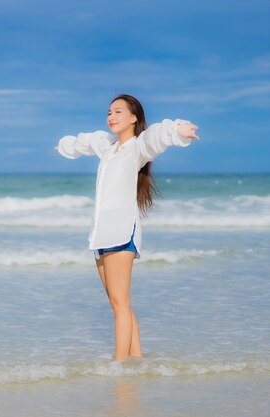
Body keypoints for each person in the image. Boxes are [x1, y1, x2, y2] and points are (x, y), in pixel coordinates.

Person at [55, 94, 199, 361]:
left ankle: (119, 365)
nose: (111, 116)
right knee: (118, 303)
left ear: (134, 118)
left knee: (121, 304)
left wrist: (179, 130)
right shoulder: (108, 148)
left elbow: (157, 136)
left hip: (122, 233)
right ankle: (138, 359)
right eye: (109, 112)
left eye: (118, 112)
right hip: (100, 236)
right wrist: (65, 147)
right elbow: (86, 142)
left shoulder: (137, 148)